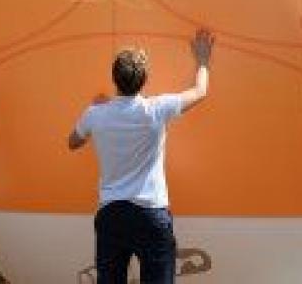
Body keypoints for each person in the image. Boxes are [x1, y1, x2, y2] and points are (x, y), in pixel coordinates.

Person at [67, 29, 216, 284]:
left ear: (114, 78)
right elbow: (200, 91)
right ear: (144, 80)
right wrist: (203, 60)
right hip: (151, 215)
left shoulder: (95, 114)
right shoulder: (156, 109)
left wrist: (96, 117)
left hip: (112, 215)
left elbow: (72, 142)